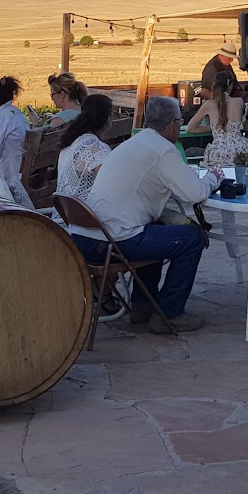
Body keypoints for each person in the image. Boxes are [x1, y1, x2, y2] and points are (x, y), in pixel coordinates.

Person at [65, 96, 214, 333]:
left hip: (86, 237)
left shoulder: (133, 142)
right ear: (173, 124)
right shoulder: (164, 150)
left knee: (154, 229)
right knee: (191, 238)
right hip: (113, 241)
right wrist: (214, 178)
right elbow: (194, 194)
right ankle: (169, 313)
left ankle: (142, 307)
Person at [56, 93, 118, 204]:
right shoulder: (92, 146)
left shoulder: (73, 140)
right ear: (108, 118)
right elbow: (112, 181)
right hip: (84, 218)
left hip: (64, 215)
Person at [185, 71, 248, 171]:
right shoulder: (239, 101)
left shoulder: (208, 104)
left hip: (218, 151)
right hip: (240, 149)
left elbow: (190, 128)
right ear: (230, 85)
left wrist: (214, 127)